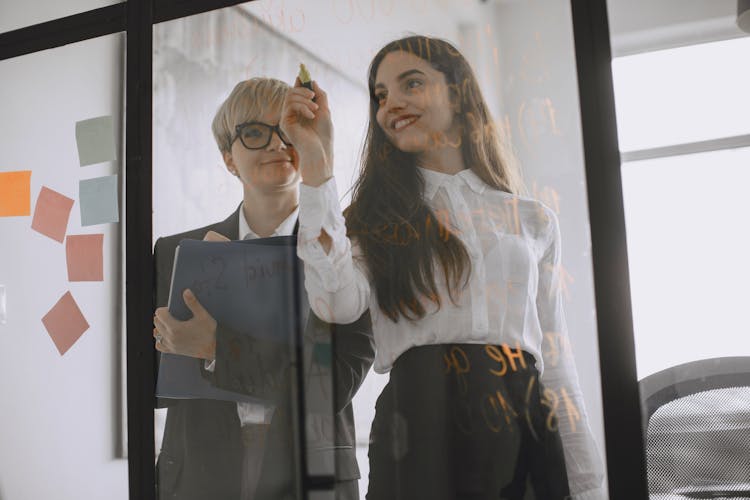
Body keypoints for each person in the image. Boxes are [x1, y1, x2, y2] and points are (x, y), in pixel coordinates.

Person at [281, 36, 605, 499]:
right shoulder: (371, 219)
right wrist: (316, 160)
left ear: (456, 93)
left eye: (411, 83)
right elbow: (333, 302)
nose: (392, 103)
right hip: (420, 423)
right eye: (381, 95)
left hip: (524, 421)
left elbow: (554, 356)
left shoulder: (533, 218)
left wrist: (587, 483)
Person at [152, 77, 375, 500]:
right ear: (228, 159)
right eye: (254, 132)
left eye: (288, 130)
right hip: (203, 471)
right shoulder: (175, 253)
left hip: (311, 473)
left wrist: (219, 347)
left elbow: (335, 382)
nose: (277, 144)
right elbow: (153, 384)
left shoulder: (344, 254)